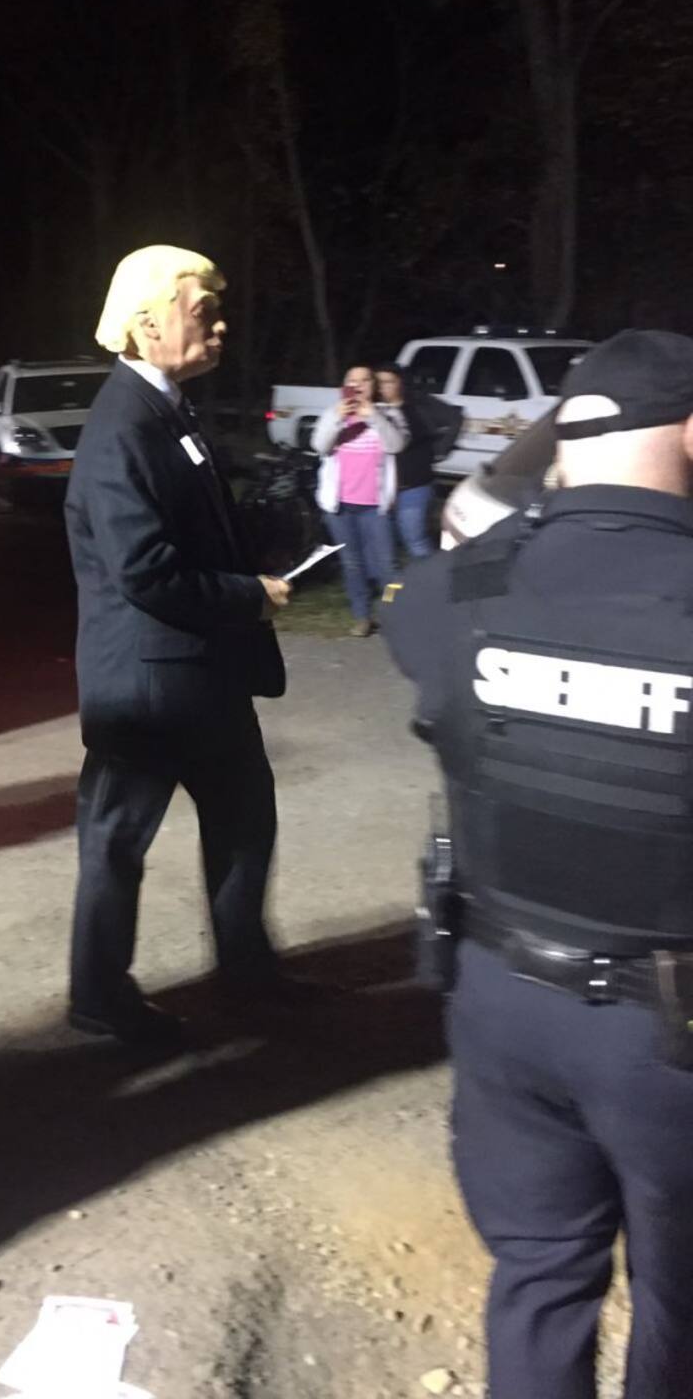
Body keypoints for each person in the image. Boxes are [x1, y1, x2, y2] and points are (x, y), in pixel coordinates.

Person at [381, 327, 693, 1399]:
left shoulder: (458, 589)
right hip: (671, 1043)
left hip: (501, 1008)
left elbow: (449, 591)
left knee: (539, 1276)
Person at [64, 245, 290, 1047]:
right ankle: (100, 998)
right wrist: (248, 595)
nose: (220, 326)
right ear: (146, 324)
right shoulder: (122, 426)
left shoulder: (167, 411)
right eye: (204, 312)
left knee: (245, 822)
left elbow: (195, 533)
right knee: (117, 841)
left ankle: (249, 973)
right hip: (149, 688)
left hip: (199, 674)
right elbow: (146, 572)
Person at [310, 366, 407, 636]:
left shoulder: (388, 414)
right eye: (352, 381)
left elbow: (396, 445)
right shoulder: (333, 414)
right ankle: (362, 617)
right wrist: (337, 419)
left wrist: (373, 416)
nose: (359, 385)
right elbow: (319, 446)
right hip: (341, 506)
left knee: (388, 566)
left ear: (373, 386)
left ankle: (396, 616)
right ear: (344, 386)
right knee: (352, 564)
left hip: (375, 506)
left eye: (365, 380)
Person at [374, 361, 461, 558]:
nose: (383, 387)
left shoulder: (418, 404)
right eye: (379, 382)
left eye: (389, 382)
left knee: (414, 539)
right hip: (381, 487)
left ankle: (429, 575)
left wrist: (440, 449)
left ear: (401, 383)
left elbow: (455, 418)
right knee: (384, 542)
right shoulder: (373, 410)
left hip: (414, 484)